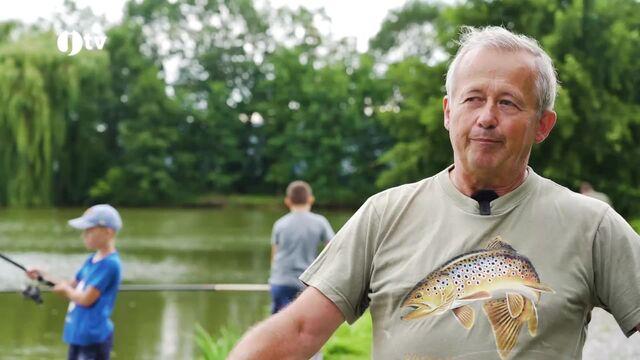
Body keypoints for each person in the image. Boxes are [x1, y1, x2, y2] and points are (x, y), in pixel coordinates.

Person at [228, 26, 640, 360]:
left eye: (509, 103)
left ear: (543, 125)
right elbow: (299, 330)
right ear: (448, 112)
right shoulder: (384, 215)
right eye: (473, 99)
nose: (486, 118)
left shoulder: (592, 226)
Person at [28, 204, 123, 360]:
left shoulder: (110, 264)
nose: (84, 235)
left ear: (109, 232)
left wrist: (66, 292)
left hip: (93, 337)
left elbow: (86, 299)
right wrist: (42, 276)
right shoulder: (91, 261)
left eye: (89, 230)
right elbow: (72, 285)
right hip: (78, 333)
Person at [269, 181, 334, 314]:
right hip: (307, 283)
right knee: (302, 326)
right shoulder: (320, 222)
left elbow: (274, 258)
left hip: (280, 282)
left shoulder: (279, 224)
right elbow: (334, 250)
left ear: (287, 201)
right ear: (311, 199)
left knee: (279, 325)